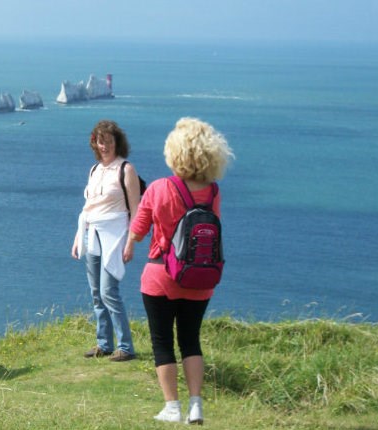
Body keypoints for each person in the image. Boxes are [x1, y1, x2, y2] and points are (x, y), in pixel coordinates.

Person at [126, 117, 233, 424]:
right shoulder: (213, 192)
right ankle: (196, 405)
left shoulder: (159, 188)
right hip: (201, 278)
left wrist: (133, 237)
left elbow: (138, 230)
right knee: (191, 339)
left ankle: (172, 407)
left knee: (162, 342)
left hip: (161, 276)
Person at [71, 120, 140, 362]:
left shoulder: (126, 170)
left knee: (109, 291)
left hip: (114, 237)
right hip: (91, 234)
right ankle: (104, 343)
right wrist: (79, 237)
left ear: (117, 143)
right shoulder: (94, 170)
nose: (105, 146)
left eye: (109, 141)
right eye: (101, 141)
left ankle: (126, 346)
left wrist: (131, 242)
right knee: (96, 293)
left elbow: (136, 209)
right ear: (94, 142)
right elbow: (88, 208)